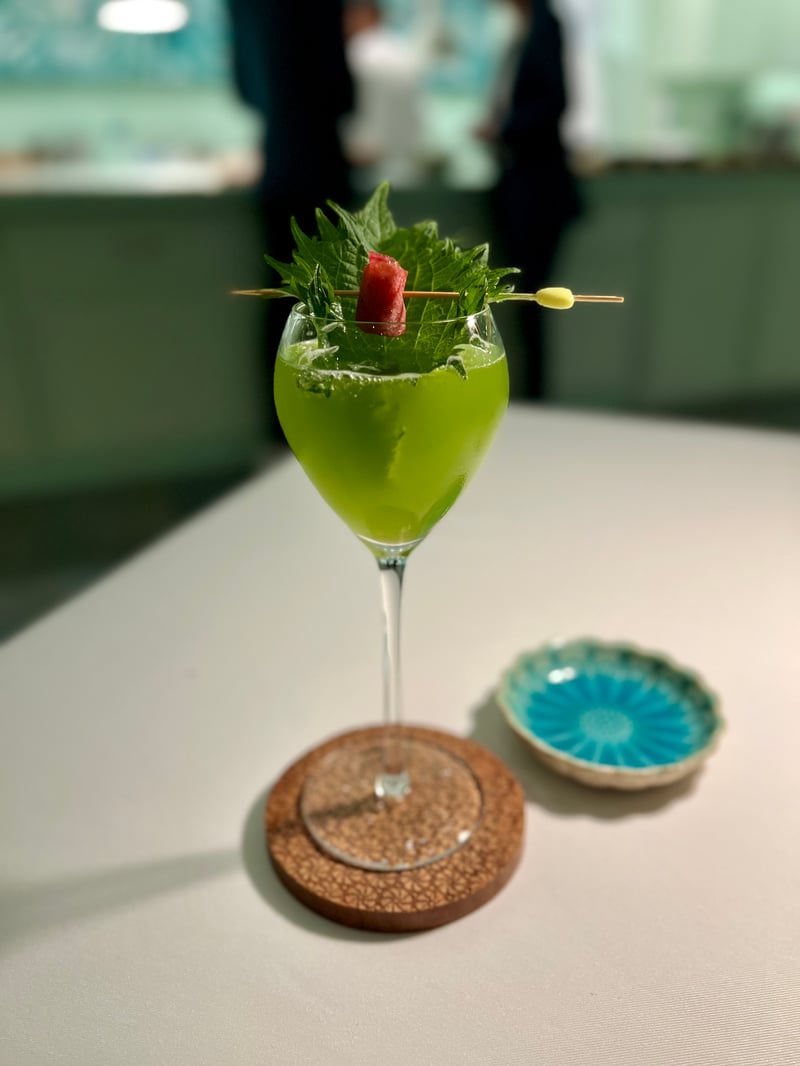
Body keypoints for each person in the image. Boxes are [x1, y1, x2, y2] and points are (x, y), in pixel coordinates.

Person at [227, 0, 355, 439]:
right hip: (320, 165)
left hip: (278, 162)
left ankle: (284, 426)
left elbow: (244, 90)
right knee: (330, 299)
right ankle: (327, 422)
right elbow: (341, 92)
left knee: (284, 298)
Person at [484, 0, 583, 398]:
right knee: (525, 306)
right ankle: (526, 394)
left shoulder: (546, 26)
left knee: (534, 302)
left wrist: (504, 130)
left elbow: (554, 102)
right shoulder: (522, 30)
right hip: (520, 186)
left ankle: (534, 398)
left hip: (538, 191)